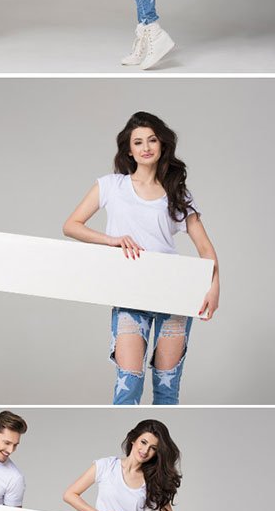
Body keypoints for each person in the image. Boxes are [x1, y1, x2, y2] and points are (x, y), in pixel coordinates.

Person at [63, 107, 219, 407]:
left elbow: (206, 249)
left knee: (167, 390)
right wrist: (111, 240)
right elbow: (71, 226)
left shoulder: (177, 193)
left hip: (175, 294)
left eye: (152, 140)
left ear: (162, 145)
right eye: (138, 142)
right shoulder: (111, 185)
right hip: (129, 293)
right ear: (129, 150)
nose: (146, 147)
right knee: (127, 388)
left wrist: (214, 286)